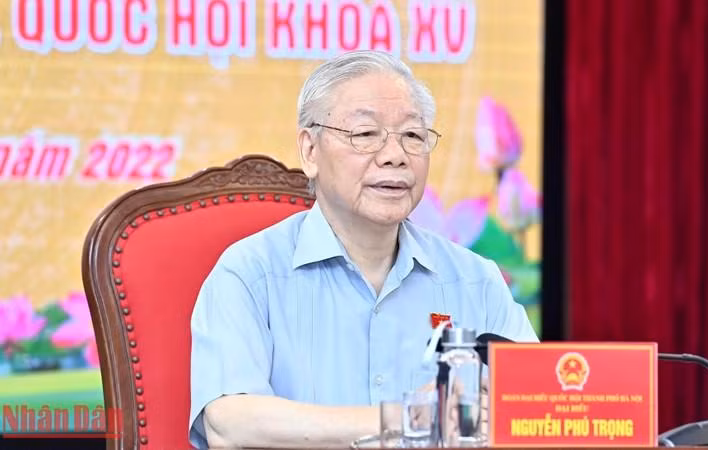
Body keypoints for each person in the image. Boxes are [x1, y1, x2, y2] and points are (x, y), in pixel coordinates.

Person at [188, 50, 539, 449]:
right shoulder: (250, 274)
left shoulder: (476, 280)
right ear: (310, 151)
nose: (395, 156)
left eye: (413, 136)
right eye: (365, 134)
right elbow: (229, 425)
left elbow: (533, 410)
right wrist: (406, 421)